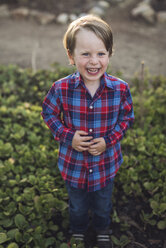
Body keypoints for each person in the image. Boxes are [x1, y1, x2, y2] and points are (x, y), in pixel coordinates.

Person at [41, 14, 134, 248]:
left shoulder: (120, 89)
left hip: (105, 164)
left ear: (110, 54)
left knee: (103, 203)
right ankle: (79, 230)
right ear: (71, 56)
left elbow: (126, 118)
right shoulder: (61, 88)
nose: (94, 61)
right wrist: (67, 136)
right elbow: (48, 113)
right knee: (78, 205)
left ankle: (103, 229)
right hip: (73, 165)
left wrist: (109, 140)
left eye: (101, 53)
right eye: (85, 54)